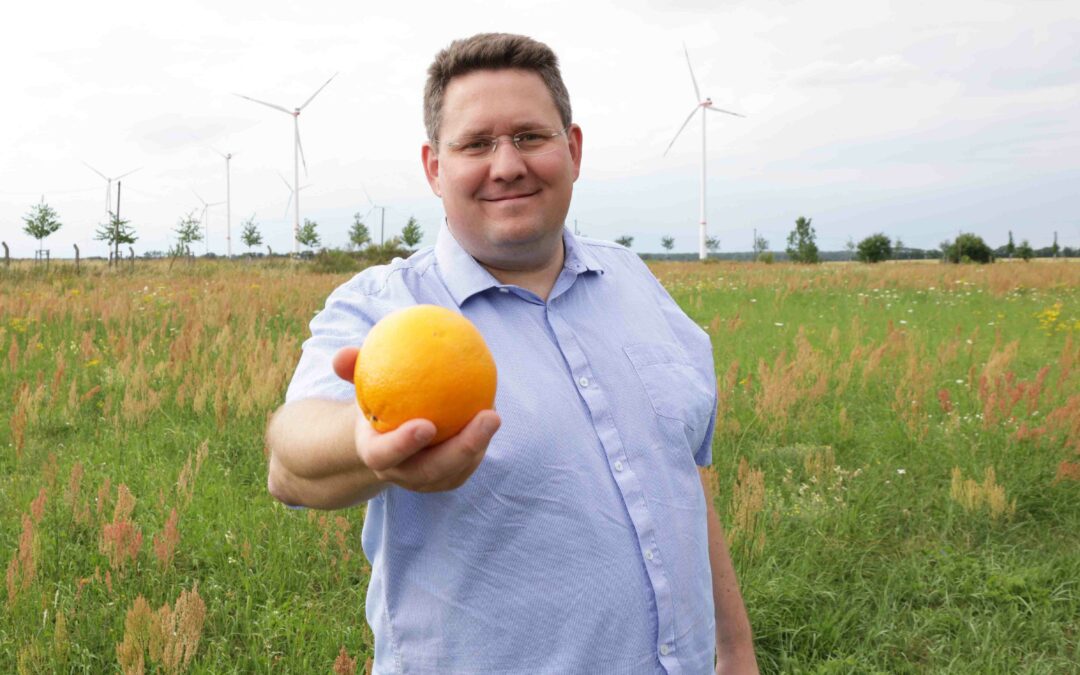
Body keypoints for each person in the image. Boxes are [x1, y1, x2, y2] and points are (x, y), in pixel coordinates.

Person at [266, 32, 758, 674]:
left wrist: (736, 651)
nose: (507, 165)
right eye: (475, 144)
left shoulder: (638, 284)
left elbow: (681, 480)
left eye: (530, 136)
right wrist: (366, 442)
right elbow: (291, 458)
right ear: (434, 167)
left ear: (572, 150)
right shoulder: (385, 308)